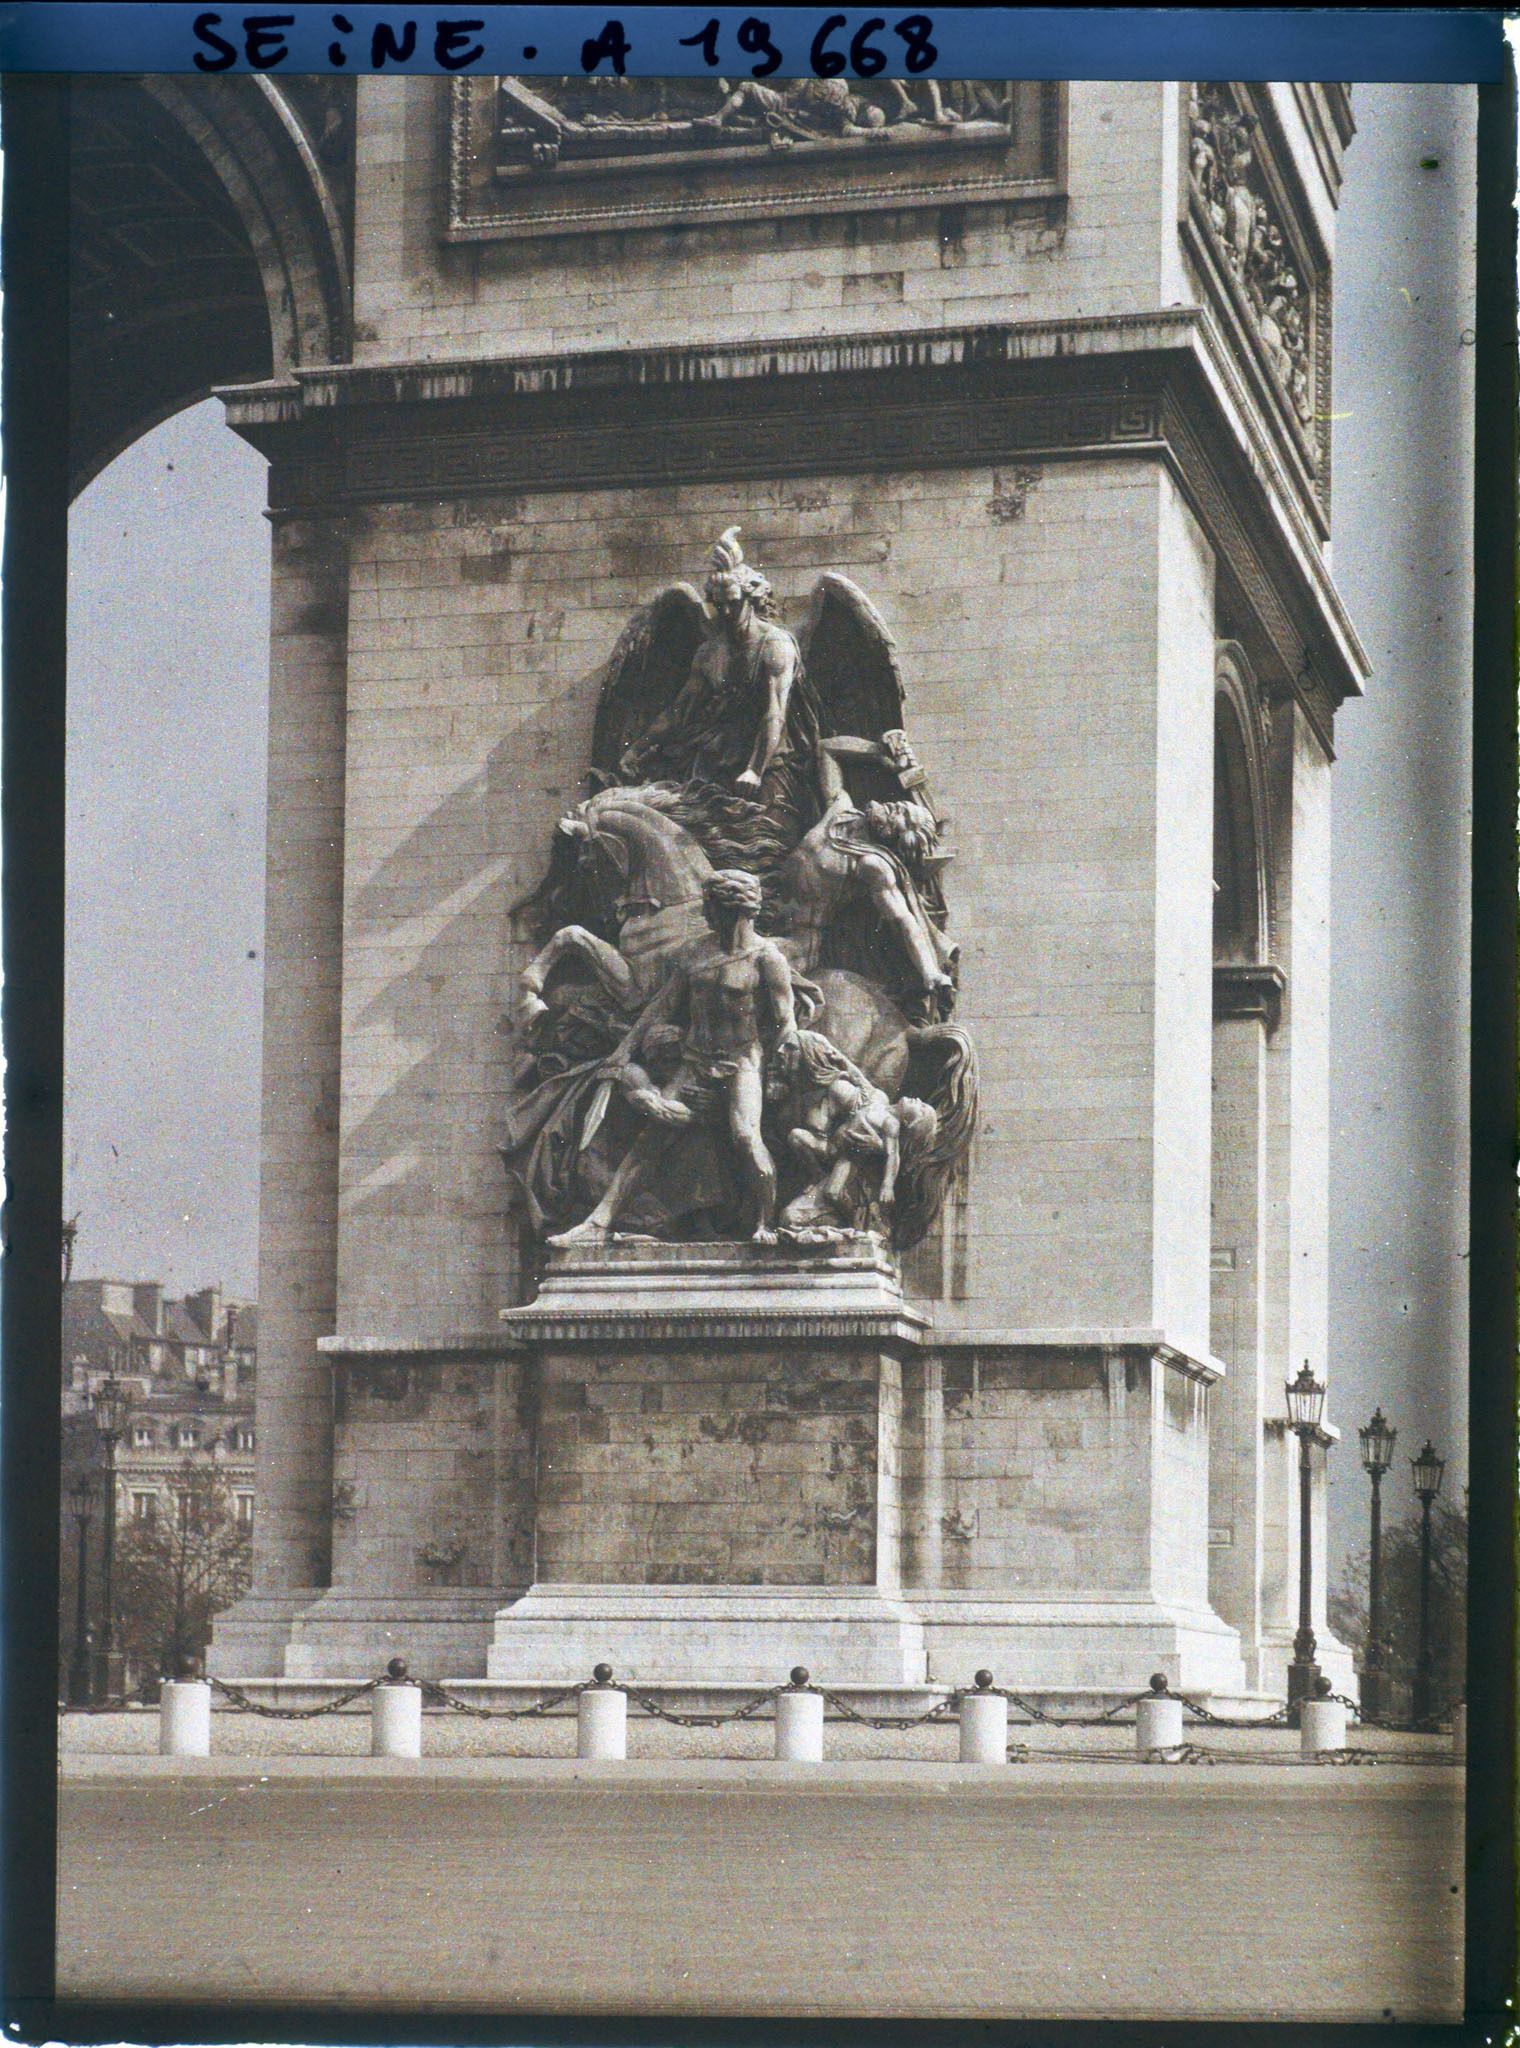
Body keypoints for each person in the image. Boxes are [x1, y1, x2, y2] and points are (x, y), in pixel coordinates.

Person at [549, 869, 802, 1245]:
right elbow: (660, 1008)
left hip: (743, 1061)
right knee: (649, 1142)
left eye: (710, 907)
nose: (705, 915)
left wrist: (781, 1073)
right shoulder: (696, 953)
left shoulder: (767, 959)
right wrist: (623, 1051)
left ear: (730, 910)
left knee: (747, 1137)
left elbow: (785, 1022)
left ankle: (766, 1224)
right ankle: (597, 1223)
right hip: (696, 1059)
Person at [617, 528, 823, 849]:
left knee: (773, 835)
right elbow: (679, 711)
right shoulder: (709, 653)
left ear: (750, 600)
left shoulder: (776, 645)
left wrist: (754, 771)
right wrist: (637, 747)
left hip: (769, 757)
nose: (725, 613)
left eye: (733, 604)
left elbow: (774, 714)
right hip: (716, 754)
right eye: (718, 605)